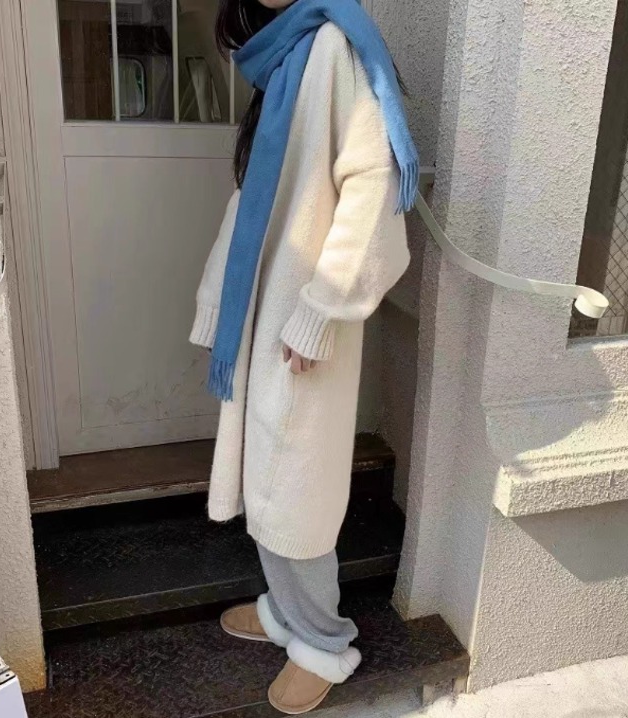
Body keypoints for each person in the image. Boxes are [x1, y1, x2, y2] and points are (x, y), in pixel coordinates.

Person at [189, 0, 418, 712]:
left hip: (302, 325)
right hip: (266, 313)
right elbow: (250, 201)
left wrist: (321, 309)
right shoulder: (284, 55)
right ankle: (286, 612)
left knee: (296, 489)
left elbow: (373, 187)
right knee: (266, 473)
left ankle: (323, 638)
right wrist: (217, 301)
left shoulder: (335, 48)